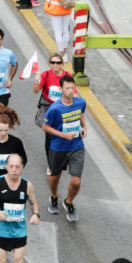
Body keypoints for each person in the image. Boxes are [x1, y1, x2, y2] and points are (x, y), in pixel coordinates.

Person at [43, 74, 86, 223]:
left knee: (76, 182)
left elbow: (81, 115)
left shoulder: (81, 102)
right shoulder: (54, 109)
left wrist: (84, 127)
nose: (70, 91)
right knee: (55, 177)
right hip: (58, 147)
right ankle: (54, 197)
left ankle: (68, 202)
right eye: (67, 88)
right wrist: (62, 135)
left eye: (72, 88)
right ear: (61, 89)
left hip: (77, 146)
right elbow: (45, 127)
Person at [33, 55, 68, 164]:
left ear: (62, 64)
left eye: (58, 62)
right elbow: (36, 91)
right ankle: (50, 163)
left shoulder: (67, 76)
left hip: (62, 109)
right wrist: (38, 82)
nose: (55, 65)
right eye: (53, 62)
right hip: (49, 109)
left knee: (62, 136)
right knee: (49, 137)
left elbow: (73, 93)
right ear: (49, 63)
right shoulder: (45, 75)